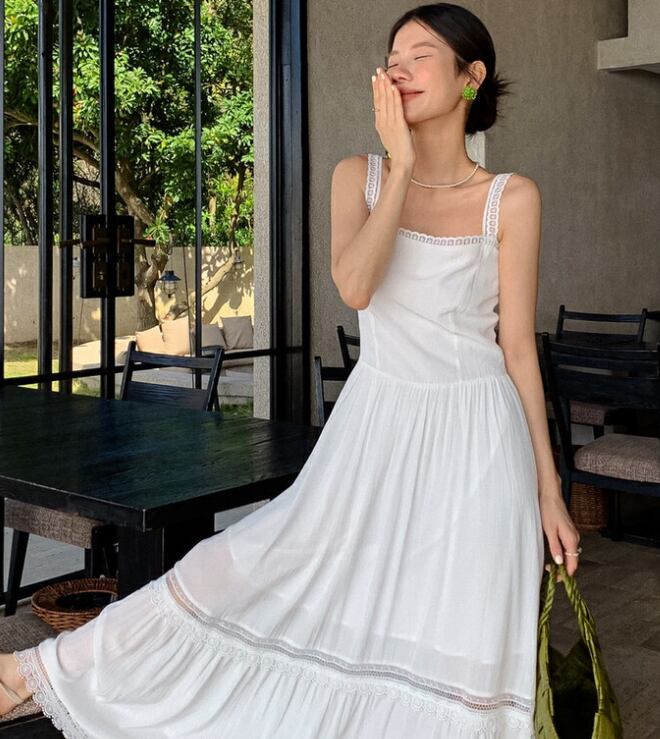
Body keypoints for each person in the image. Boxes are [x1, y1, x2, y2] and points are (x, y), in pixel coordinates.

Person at [0, 3, 581, 737]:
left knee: (458, 626)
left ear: (472, 76)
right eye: (392, 57)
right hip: (376, 428)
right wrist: (402, 166)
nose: (399, 69)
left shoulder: (511, 198)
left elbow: (518, 350)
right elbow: (357, 286)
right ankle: (34, 671)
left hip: (479, 442)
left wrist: (549, 490)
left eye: (421, 55)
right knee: (247, 563)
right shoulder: (360, 176)